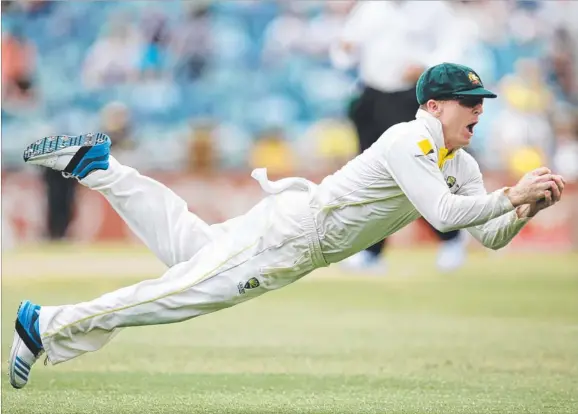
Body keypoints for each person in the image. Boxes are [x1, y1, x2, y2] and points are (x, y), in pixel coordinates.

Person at [9, 63, 565, 389]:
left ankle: (97, 167)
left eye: (481, 102)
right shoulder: (409, 138)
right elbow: (444, 216)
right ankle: (48, 322)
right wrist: (507, 195)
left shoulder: (459, 162)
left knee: (186, 247)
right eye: (470, 102)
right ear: (437, 106)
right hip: (291, 239)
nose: (479, 111)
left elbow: (489, 236)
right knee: (178, 295)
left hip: (294, 235)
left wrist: (523, 211)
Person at [331, 0, 473, 272]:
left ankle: (451, 238)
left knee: (418, 174)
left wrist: (426, 67)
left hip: (411, 97)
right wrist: (345, 49)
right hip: (372, 97)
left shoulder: (433, 8)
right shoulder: (371, 8)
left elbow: (454, 45)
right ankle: (371, 251)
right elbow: (344, 48)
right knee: (370, 176)